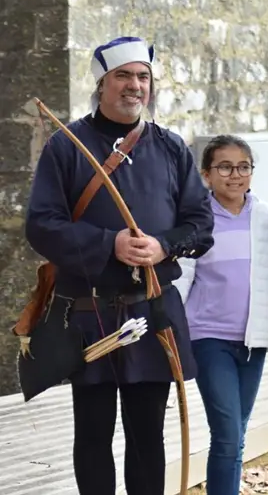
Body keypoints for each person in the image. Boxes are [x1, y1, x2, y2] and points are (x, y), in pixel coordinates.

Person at [23, 36, 214, 494]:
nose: (135, 86)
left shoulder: (170, 148)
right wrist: (110, 244)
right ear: (102, 84)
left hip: (151, 312)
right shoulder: (66, 146)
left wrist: (163, 246)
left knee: (148, 435)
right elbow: (41, 226)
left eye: (142, 77)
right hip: (89, 315)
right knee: (92, 435)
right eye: (123, 76)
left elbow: (200, 223)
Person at [172, 134, 268, 495]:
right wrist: (170, 330)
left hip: (254, 341)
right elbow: (181, 279)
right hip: (208, 338)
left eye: (243, 167)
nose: (234, 175)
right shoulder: (197, 221)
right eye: (224, 167)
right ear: (206, 174)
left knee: (237, 431)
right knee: (226, 432)